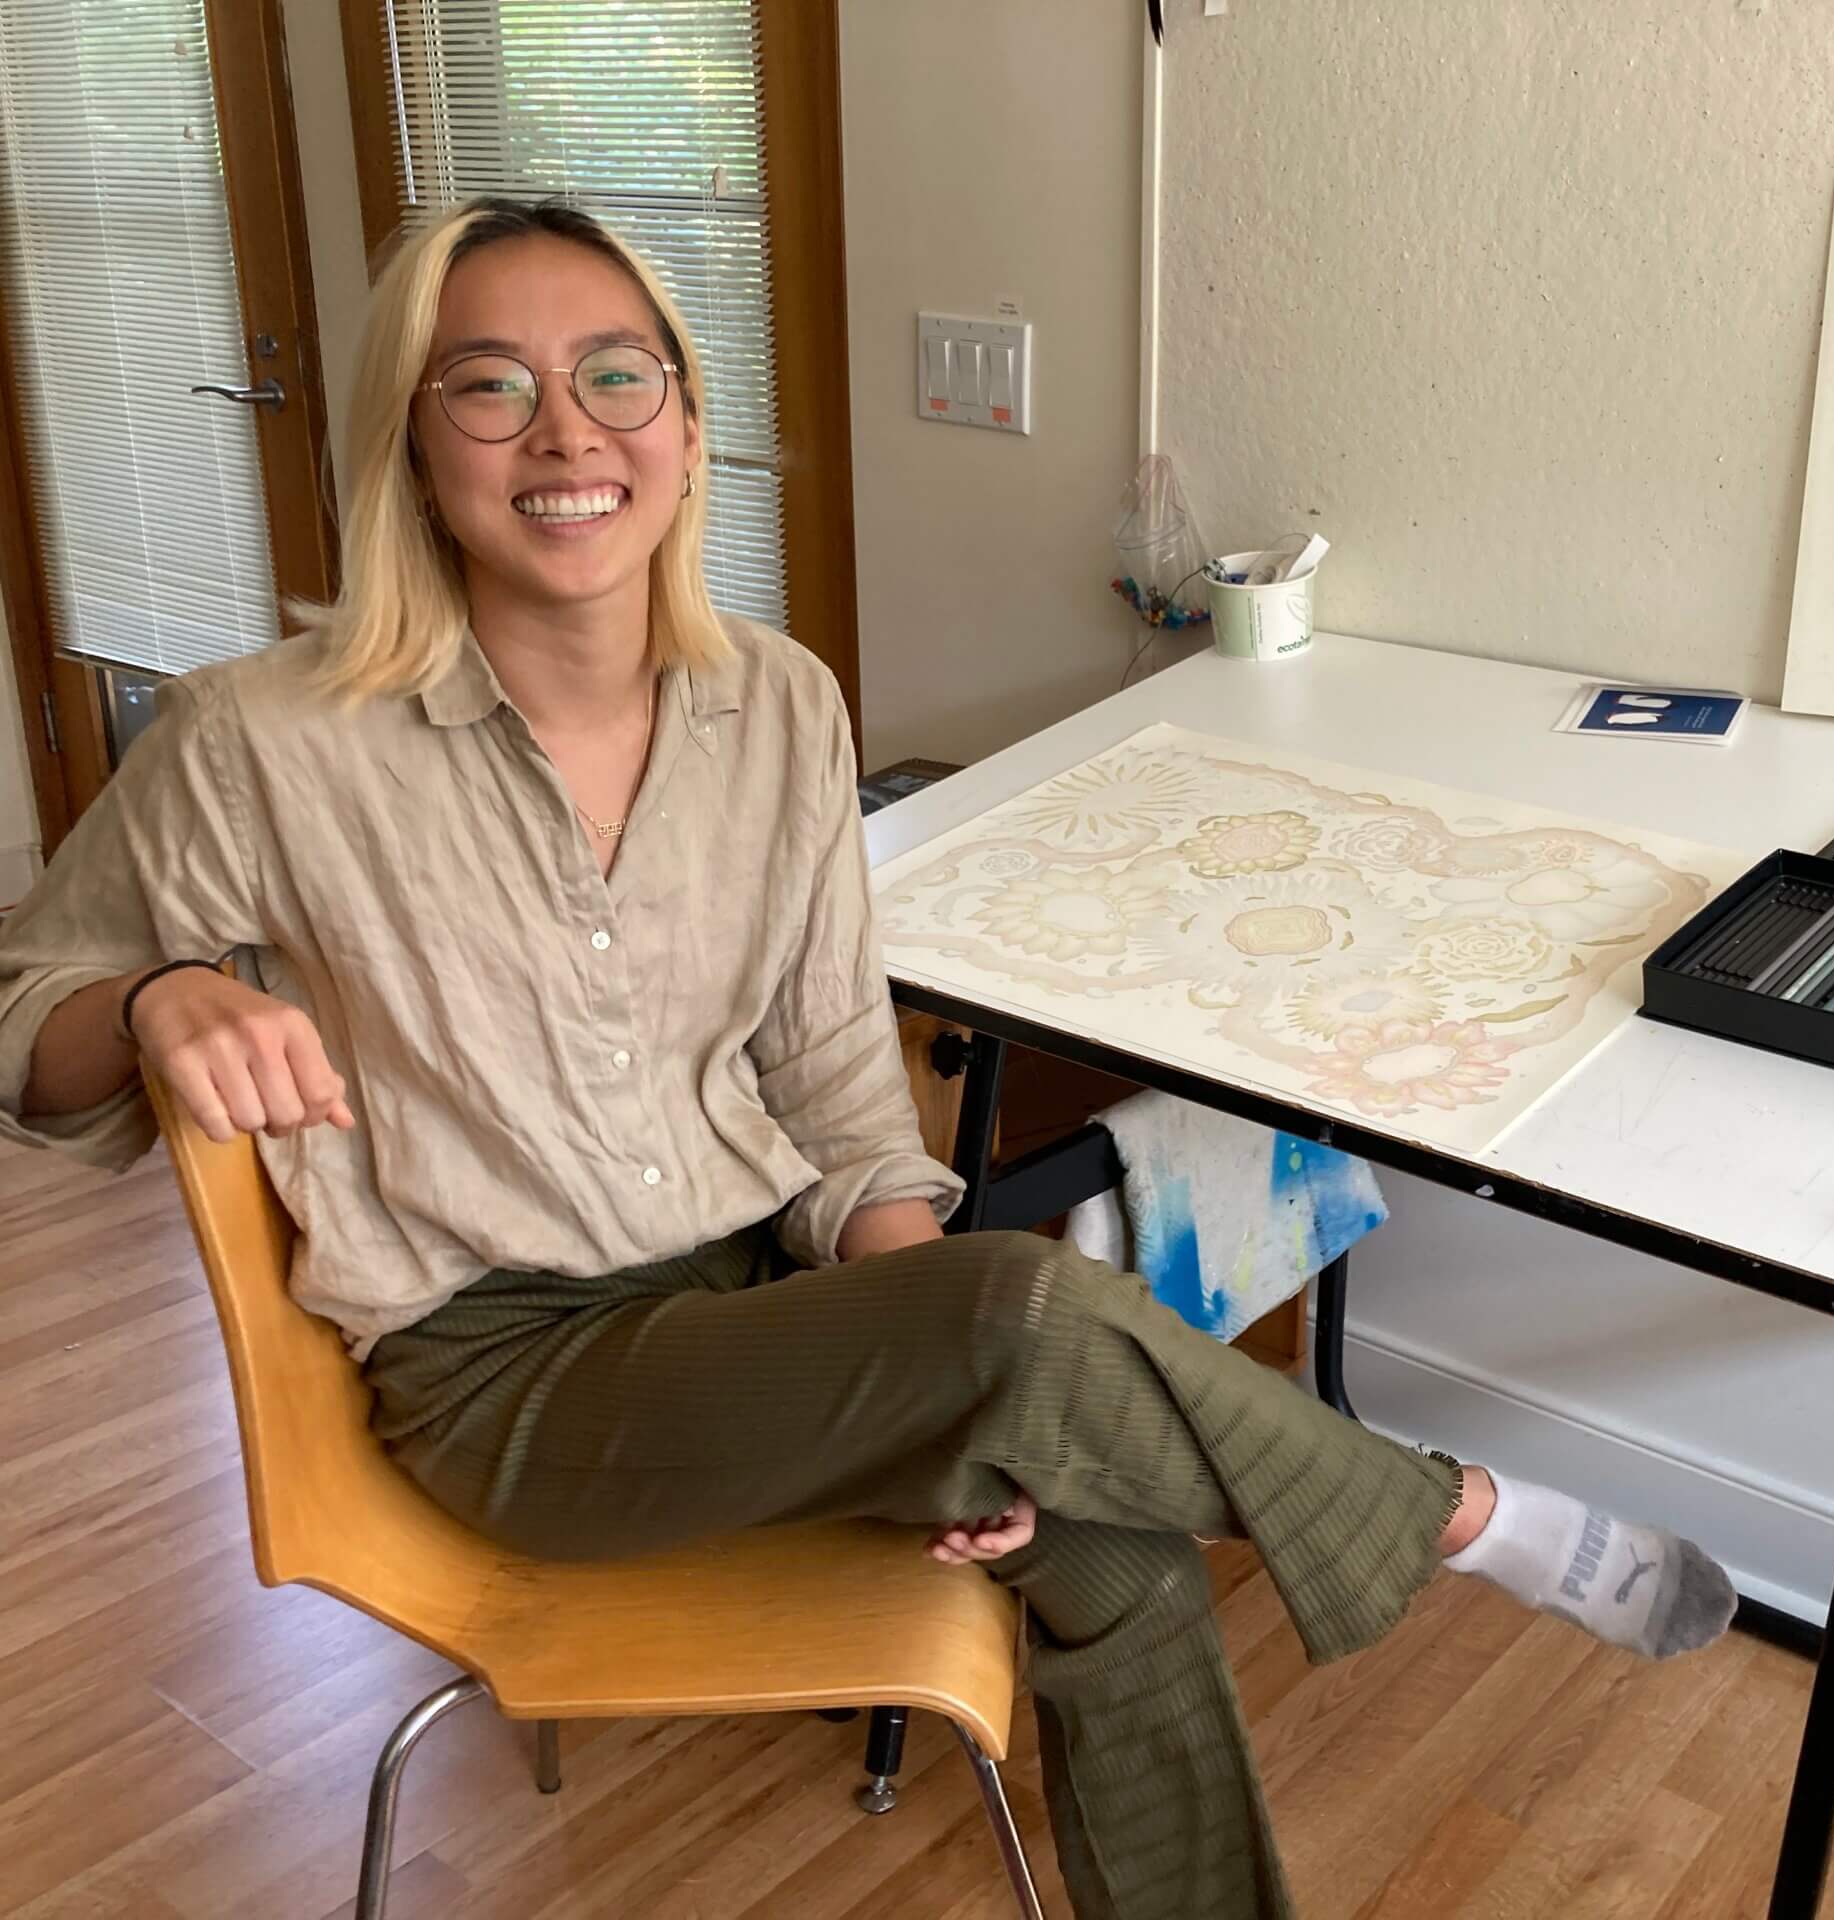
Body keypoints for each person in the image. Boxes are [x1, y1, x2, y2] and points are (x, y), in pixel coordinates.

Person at [0, 196, 1734, 1918]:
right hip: (508, 1377)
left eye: (618, 373)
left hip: (761, 1298)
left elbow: (837, 1089)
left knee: (1116, 1551)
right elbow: (24, 1019)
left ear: (684, 421)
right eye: (487, 387)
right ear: (407, 438)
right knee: (1030, 1311)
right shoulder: (267, 740)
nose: (564, 433)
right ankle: (1460, 1519)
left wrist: (953, 1385)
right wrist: (153, 999)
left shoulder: (781, 705)